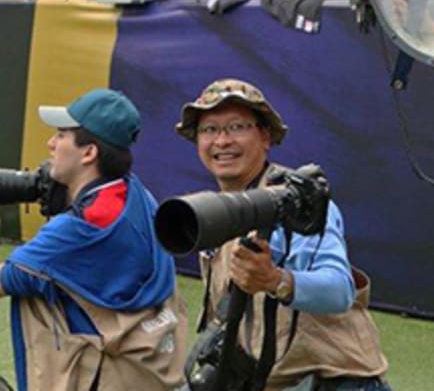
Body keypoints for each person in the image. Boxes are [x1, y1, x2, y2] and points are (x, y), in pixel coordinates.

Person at [175, 79, 391, 390]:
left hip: (336, 382)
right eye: (209, 130)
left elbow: (339, 290)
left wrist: (276, 280)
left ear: (265, 136)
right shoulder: (217, 213)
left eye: (236, 127)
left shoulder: (299, 202)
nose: (222, 141)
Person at [3, 88, 186, 391]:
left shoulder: (79, 229)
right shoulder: (137, 193)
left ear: (89, 153)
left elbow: (9, 277)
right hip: (150, 373)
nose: (50, 144)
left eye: (61, 135)